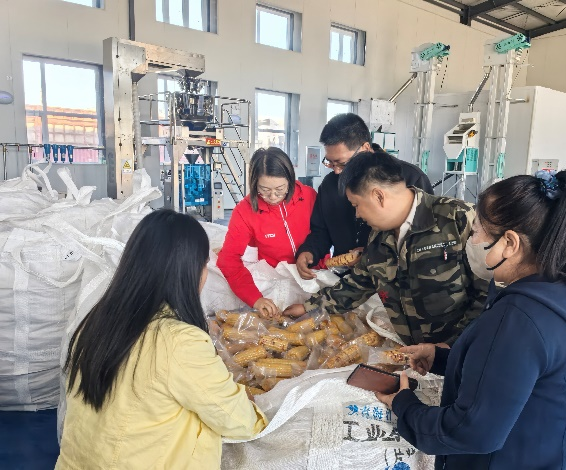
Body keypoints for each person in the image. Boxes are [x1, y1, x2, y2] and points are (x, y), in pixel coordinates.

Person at [377, 170, 566, 469]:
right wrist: (441, 358)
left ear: (510, 243)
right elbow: (519, 373)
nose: (471, 241)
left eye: (476, 232)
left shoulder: (518, 321)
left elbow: (468, 432)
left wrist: (404, 405)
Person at [57, 210, 267, 470]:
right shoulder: (179, 341)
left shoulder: (97, 321)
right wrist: (256, 409)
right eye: (204, 265)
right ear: (187, 271)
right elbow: (238, 421)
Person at [285, 151, 488, 346]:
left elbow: (489, 294)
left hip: (460, 353)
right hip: (416, 354)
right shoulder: (378, 237)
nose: (357, 215)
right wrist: (309, 307)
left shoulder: (458, 218)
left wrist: (453, 346)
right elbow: (358, 284)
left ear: (379, 196)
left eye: (356, 205)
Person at [296, 113, 433, 280]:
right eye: (330, 162)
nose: (337, 171)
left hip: (392, 280)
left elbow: (423, 240)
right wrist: (310, 250)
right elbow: (321, 231)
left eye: (342, 163)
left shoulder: (407, 179)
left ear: (366, 148)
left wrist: (372, 254)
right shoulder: (330, 185)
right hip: (347, 279)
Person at [217, 147, 318, 317]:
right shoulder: (244, 211)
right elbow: (228, 260)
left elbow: (324, 234)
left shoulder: (309, 196)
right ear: (254, 183)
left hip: (315, 275)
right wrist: (255, 299)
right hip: (275, 281)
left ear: (290, 180)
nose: (272, 197)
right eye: (264, 190)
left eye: (280, 189)